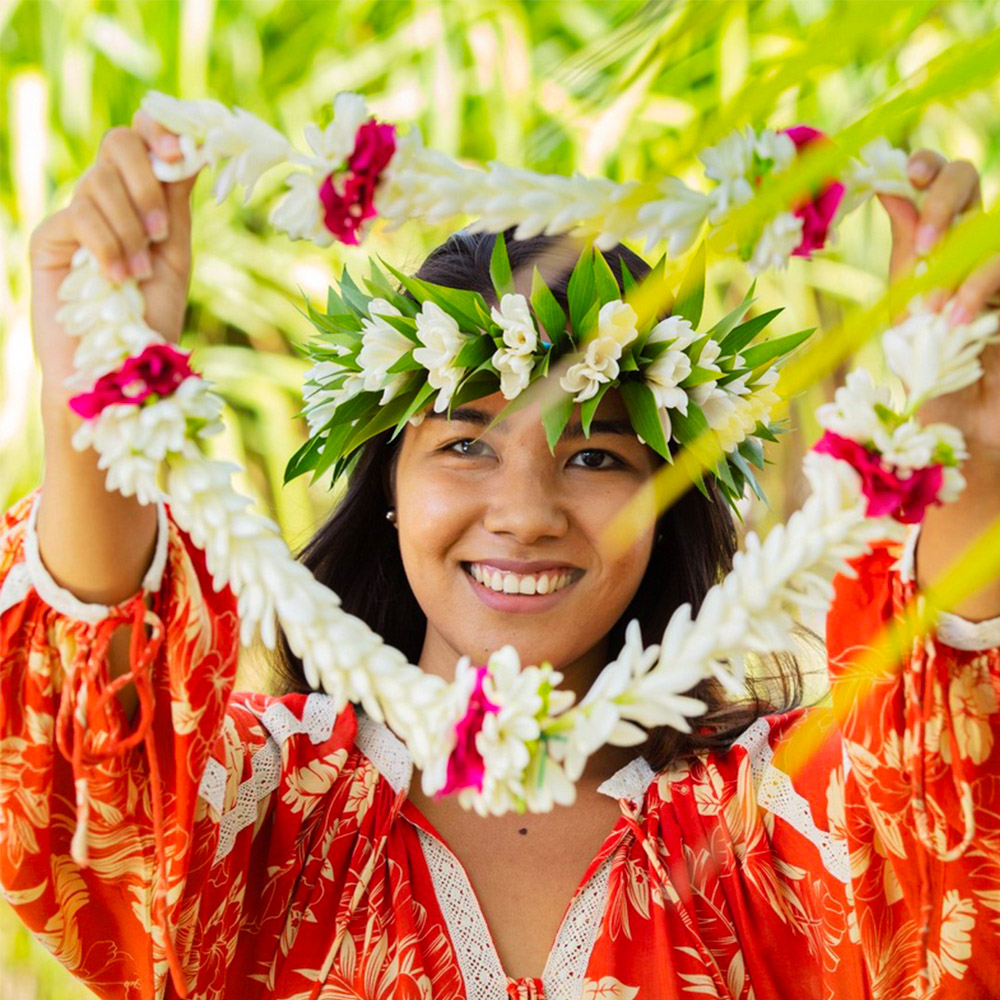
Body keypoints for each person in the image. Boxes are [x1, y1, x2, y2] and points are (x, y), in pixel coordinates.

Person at [2, 109, 999, 1000]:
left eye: (597, 453)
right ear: (388, 486)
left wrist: (971, 440)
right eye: (466, 442)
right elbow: (90, 777)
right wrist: (95, 402)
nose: (524, 511)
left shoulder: (777, 832)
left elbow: (948, 817)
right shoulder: (258, 813)